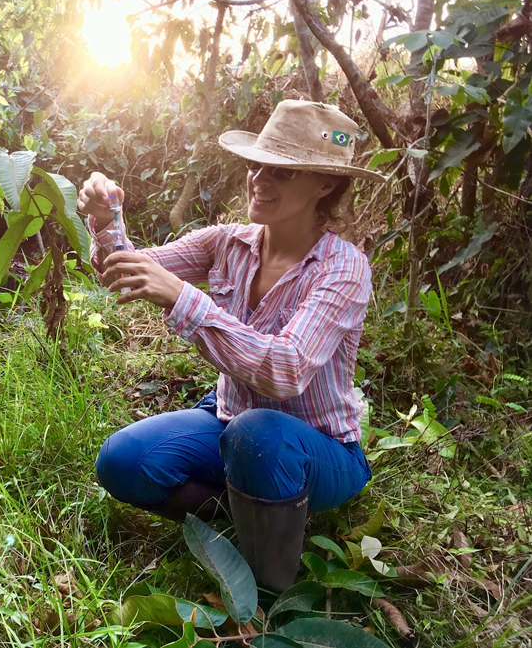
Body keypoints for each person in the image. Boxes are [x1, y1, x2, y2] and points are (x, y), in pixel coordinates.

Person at [76, 100, 385, 592]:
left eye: (283, 172)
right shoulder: (228, 242)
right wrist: (104, 217)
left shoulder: (342, 269)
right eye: (257, 165)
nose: (260, 179)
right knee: (122, 461)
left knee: (257, 432)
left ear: (324, 185)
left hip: (319, 447)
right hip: (228, 420)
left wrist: (182, 297)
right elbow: (125, 267)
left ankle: (268, 592)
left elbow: (285, 370)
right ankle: (248, 508)